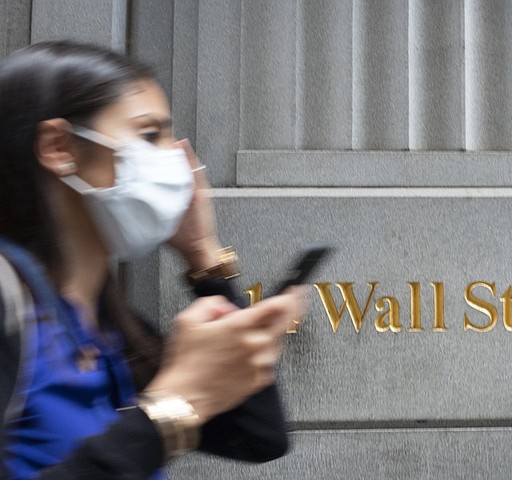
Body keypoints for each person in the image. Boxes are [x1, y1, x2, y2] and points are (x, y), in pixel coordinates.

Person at [0, 41, 305, 479]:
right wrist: (172, 406)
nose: (178, 160)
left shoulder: (110, 329)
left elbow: (258, 437)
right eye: (150, 135)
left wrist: (204, 257)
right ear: (59, 146)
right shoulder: (13, 306)